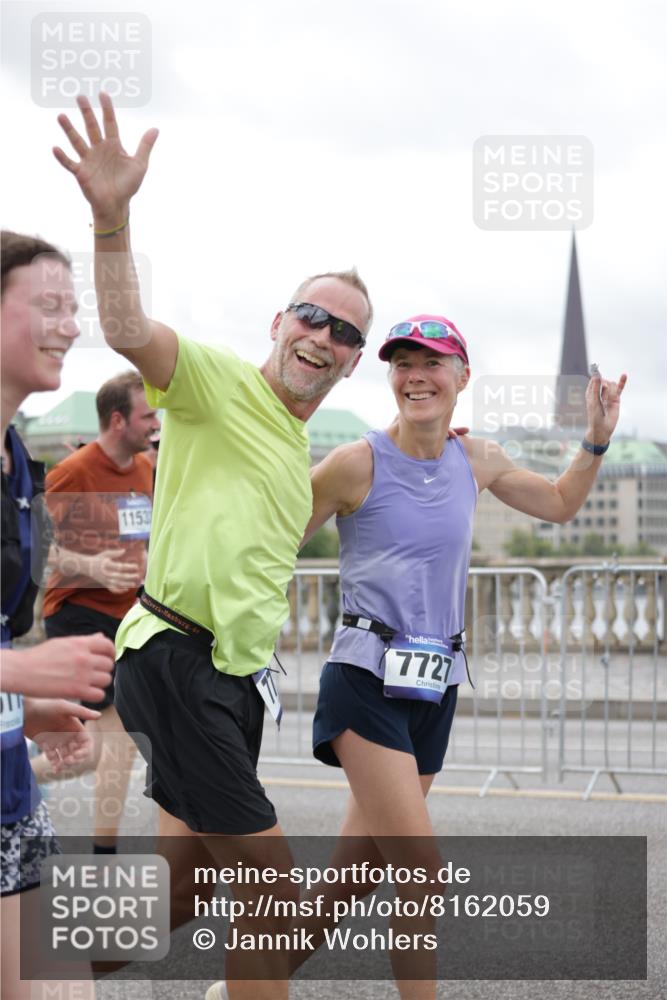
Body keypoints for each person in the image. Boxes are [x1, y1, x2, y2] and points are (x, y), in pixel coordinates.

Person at [53, 93, 372, 1000]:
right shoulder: (214, 384)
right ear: (280, 322)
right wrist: (112, 222)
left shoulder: (296, 451)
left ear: (352, 361)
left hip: (237, 682)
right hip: (175, 657)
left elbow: (288, 538)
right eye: (311, 317)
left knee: (176, 896)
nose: (323, 337)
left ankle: (24, 968)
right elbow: (127, 331)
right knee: (268, 886)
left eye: (345, 333)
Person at [285, 315, 626, 999]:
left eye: (432, 363)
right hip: (361, 677)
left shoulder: (477, 458)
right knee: (419, 869)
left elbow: (559, 505)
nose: (416, 376)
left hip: (432, 685)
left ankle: (248, 981)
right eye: (403, 362)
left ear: (461, 377)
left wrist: (594, 439)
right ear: (389, 376)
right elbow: (272, 539)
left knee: (351, 877)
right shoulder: (356, 461)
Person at [1, 230, 117, 999]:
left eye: (74, 309)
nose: (72, 326)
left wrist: (27, 706)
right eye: (49, 306)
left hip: (11, 791)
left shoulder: (16, 452)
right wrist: (17, 669)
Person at [31, 371, 159, 854]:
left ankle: (16, 773)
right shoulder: (74, 472)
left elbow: (141, 537)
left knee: (96, 752)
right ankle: (104, 858)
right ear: (118, 419)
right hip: (77, 613)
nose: (155, 424)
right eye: (147, 415)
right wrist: (91, 567)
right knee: (119, 741)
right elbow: (35, 548)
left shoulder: (146, 469)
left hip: (128, 618)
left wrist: (146, 566)